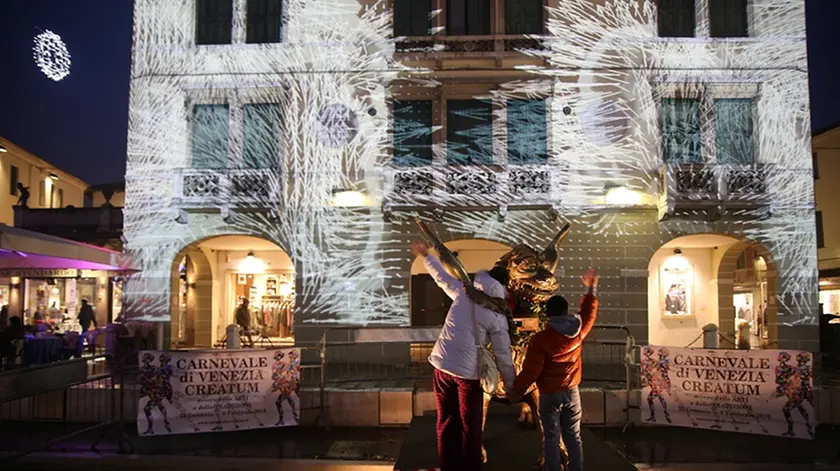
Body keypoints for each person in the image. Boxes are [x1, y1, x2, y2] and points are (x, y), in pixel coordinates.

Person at [411, 240, 516, 471]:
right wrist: (511, 385)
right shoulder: (497, 314)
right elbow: (502, 354)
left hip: (441, 366)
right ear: (502, 288)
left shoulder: (463, 292)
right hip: (467, 374)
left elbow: (441, 279)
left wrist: (425, 257)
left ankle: (448, 466)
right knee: (471, 426)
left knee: (446, 421)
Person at [508, 268, 599, 471]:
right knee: (574, 435)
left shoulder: (540, 340)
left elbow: (531, 371)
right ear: (565, 312)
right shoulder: (577, 332)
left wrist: (516, 391)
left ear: (546, 314)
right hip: (571, 392)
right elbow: (589, 314)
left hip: (549, 395)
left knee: (551, 436)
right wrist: (591, 289)